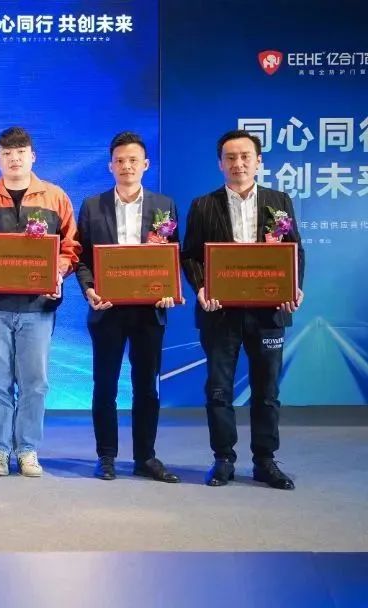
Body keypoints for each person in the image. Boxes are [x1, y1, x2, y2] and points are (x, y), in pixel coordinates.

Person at [181, 130, 305, 490]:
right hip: (220, 313)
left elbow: (294, 250)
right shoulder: (203, 205)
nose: (238, 163)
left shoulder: (279, 201)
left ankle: (265, 460)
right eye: (231, 157)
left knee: (266, 390)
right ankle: (223, 459)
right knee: (219, 390)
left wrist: (293, 287)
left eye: (245, 156)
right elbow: (190, 255)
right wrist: (202, 288)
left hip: (268, 312)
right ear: (220, 164)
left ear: (258, 161)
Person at [0, 127, 80, 478]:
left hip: (37, 309)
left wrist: (57, 271)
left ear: (33, 156)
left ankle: (27, 449)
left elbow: (71, 246)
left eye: (21, 152)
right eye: (7, 154)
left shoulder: (55, 198)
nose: (14, 159)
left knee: (35, 383)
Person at [75, 132, 180, 483]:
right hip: (107, 309)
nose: (126, 166)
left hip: (149, 311)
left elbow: (173, 256)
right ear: (110, 166)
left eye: (133, 160)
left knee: (146, 387)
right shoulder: (93, 205)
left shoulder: (164, 205)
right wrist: (89, 289)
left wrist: (168, 290)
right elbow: (81, 258)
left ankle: (145, 457)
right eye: (120, 161)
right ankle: (106, 456)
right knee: (104, 385)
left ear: (145, 164)